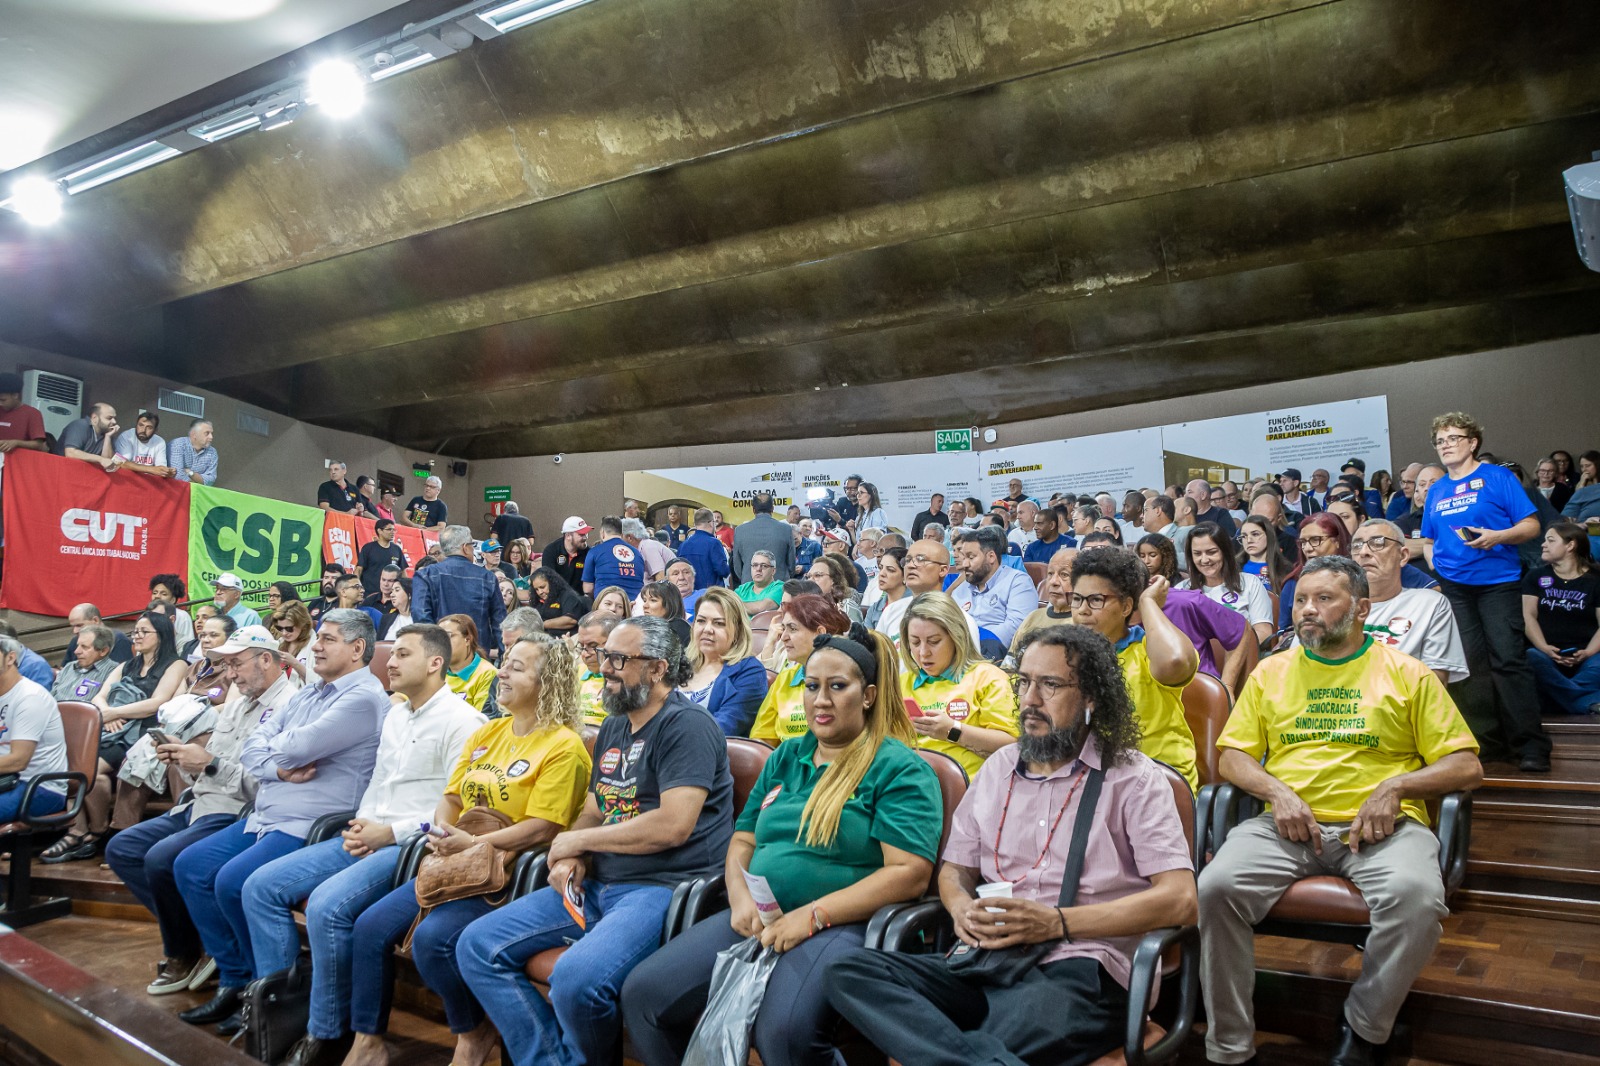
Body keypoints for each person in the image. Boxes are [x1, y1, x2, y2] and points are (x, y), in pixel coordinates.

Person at [825, 624, 1197, 1066]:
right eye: (1023, 682)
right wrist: (961, 909)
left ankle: (971, 1052)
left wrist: (1056, 923)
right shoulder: (999, 767)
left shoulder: (1132, 778)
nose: (1029, 700)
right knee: (850, 971)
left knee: (1004, 1026)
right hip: (987, 959)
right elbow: (955, 870)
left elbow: (1180, 900)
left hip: (1081, 967)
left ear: (1091, 698)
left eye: (1050, 685)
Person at [1199, 557, 1483, 1066]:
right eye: (1301, 600)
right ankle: (1230, 1046)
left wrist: (1397, 786)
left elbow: (1466, 765)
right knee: (1215, 887)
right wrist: (1277, 792)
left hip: (1383, 829)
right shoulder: (1271, 672)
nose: (1307, 610)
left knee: (1416, 898)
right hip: (1284, 825)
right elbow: (1233, 757)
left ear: (1361, 609)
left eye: (1324, 599)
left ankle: (1365, 1024)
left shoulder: (1407, 673)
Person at [626, 624, 941, 1066]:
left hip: (847, 924)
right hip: (762, 915)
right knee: (644, 995)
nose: (821, 700)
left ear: (868, 695)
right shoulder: (787, 756)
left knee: (784, 1032)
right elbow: (743, 840)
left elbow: (908, 874)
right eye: (811, 686)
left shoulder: (899, 768)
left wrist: (812, 916)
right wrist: (739, 897)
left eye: (838, 687)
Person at [455, 617, 736, 1066]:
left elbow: (673, 825)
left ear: (658, 669)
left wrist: (578, 841)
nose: (605, 667)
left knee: (577, 980)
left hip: (660, 887)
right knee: (475, 945)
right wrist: (575, 851)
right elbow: (594, 806)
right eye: (606, 655)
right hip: (596, 881)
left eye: (619, 659)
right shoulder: (614, 724)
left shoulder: (688, 726)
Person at [328, 634, 591, 1066]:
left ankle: (472, 1033)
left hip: (509, 875)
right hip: (456, 862)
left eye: (517, 667)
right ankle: (369, 1042)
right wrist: (443, 832)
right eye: (505, 663)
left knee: (432, 939)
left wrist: (473, 843)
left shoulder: (564, 745)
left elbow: (543, 827)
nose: (502, 672)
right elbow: (452, 796)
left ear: (548, 682)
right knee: (371, 925)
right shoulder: (489, 732)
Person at [240, 624, 487, 1066]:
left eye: (403, 655)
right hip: (369, 833)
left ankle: (328, 1032)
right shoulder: (395, 715)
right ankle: (282, 1017)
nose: (389, 662)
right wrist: (364, 824)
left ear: (435, 663)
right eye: (393, 654)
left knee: (327, 906)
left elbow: (455, 811)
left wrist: (388, 834)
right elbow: (378, 783)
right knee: (260, 886)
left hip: (413, 846)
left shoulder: (465, 721)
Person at [174, 609, 388, 1032]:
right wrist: (278, 767)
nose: (316, 647)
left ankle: (271, 1002)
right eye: (318, 638)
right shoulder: (311, 693)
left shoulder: (363, 698)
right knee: (191, 866)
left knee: (233, 881)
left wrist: (278, 750)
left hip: (309, 821)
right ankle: (237, 981)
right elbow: (254, 748)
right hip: (266, 813)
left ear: (357, 648)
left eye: (327, 639)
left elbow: (296, 747)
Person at [106, 625, 303, 995]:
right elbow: (208, 769)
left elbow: (269, 785)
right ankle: (199, 936)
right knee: (122, 848)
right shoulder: (236, 704)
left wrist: (209, 764)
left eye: (236, 664)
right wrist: (183, 758)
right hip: (201, 803)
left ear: (266, 659)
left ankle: (200, 953)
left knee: (163, 858)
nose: (229, 674)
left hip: (238, 811)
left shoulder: (291, 708)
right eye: (226, 665)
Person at [1421, 413, 1550, 772]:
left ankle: (1529, 745)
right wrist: (1436, 564)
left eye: (1453, 438)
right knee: (1469, 666)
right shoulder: (1437, 489)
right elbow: (1429, 539)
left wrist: (1498, 536)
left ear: (1473, 442)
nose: (1445, 445)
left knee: (1508, 660)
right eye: (1440, 441)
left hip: (1497, 583)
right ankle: (1487, 743)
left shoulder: (1497, 477)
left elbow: (1531, 525)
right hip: (1455, 588)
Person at [49, 613, 189, 863]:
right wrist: (107, 713)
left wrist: (115, 712)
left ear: (161, 635)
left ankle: (94, 832)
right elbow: (99, 696)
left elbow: (158, 702)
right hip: (113, 728)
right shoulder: (127, 665)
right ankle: (84, 831)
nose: (137, 636)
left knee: (89, 771)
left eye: (144, 631)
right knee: (80, 771)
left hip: (142, 733)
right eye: (136, 631)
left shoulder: (175, 664)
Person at [1071, 547, 1201, 792]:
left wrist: (1148, 602)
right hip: (1087, 782)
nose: (1082, 610)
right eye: (1077, 599)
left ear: (1126, 606)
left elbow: (1175, 661)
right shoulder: (1065, 655)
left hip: (1154, 783)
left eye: (1096, 600)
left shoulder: (1147, 650)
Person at [899, 591, 1021, 777]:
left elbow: (1011, 745)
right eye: (915, 642)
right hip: (910, 782)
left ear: (957, 637)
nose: (923, 652)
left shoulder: (987, 678)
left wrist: (953, 730)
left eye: (934, 641)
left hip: (972, 787)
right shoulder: (901, 683)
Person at [1339, 520, 1468, 687]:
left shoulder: (1428, 605)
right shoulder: (1336, 607)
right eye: (1356, 546)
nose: (1364, 552)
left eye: (1378, 543)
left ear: (1403, 556)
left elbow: (1436, 683)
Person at [1524, 522, 1600, 716]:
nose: (1543, 545)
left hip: (1588, 656)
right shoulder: (1535, 576)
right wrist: (1544, 648)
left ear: (1570, 545)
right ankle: (1585, 702)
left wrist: (1588, 652)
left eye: (1550, 540)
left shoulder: (1596, 579)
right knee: (1531, 656)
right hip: (1546, 655)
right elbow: (1528, 616)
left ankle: (1559, 697)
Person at [753, 594, 851, 744]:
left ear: (820, 633)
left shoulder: (849, 680)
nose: (783, 637)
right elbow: (762, 741)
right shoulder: (784, 679)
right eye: (784, 628)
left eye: (792, 629)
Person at [0, 633, 70, 825]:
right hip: (7, 780)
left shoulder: (30, 697)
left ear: (10, 658)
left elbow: (18, 761)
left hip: (39, 786)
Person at [679, 586, 768, 735]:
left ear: (737, 630)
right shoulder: (680, 663)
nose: (707, 629)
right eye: (701, 621)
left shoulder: (750, 672)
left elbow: (724, 727)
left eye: (719, 623)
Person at [413, 526, 506, 657]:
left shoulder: (425, 575)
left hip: (438, 657)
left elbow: (420, 615)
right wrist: (504, 656)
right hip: (476, 658)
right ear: (465, 548)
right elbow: (500, 621)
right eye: (472, 545)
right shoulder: (487, 577)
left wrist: (438, 649)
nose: (473, 550)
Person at [1181, 523, 1274, 644]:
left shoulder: (1250, 583)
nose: (1204, 560)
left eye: (1211, 552)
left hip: (1243, 654)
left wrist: (1232, 652)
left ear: (1225, 551)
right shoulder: (1181, 590)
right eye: (1197, 554)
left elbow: (1263, 634)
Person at [949, 527, 1038, 653]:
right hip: (960, 652)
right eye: (964, 558)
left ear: (991, 557)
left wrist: (975, 646)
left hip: (996, 654)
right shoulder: (962, 587)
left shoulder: (1017, 582)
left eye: (971, 557)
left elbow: (1017, 626)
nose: (965, 564)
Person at [877, 541, 981, 646]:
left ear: (942, 570)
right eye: (907, 560)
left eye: (920, 559)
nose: (910, 566)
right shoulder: (891, 611)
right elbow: (879, 652)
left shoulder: (960, 620)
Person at [1009, 547, 1076, 662]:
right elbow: (1010, 662)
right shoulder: (1033, 617)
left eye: (1064, 575)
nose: (1053, 581)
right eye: (1050, 574)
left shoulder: (1084, 622)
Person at [731, 493, 797, 585]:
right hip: (779, 585)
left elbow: (737, 565)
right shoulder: (786, 529)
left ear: (753, 510)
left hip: (749, 585)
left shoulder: (740, 530)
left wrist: (747, 577)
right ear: (772, 509)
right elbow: (791, 563)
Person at [439, 614, 499, 714]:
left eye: (447, 636)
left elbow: (483, 718)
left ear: (467, 640)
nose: (441, 642)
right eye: (438, 637)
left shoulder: (488, 673)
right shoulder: (435, 671)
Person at [574, 612, 621, 729]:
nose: (585, 654)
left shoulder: (627, 681)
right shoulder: (576, 673)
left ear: (614, 642)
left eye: (593, 646)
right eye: (582, 646)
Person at [51, 623, 119, 702]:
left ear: (103, 651)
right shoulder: (69, 667)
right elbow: (51, 697)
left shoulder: (114, 673)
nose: (76, 651)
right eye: (78, 646)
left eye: (84, 647)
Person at [583, 516, 646, 600]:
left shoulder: (595, 551)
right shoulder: (637, 553)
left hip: (607, 603)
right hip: (634, 604)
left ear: (602, 533)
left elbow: (588, 588)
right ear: (622, 534)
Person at [669, 508, 729, 591]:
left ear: (695, 524)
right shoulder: (714, 543)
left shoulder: (683, 545)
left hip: (688, 593)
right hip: (710, 594)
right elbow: (723, 571)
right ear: (711, 523)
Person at [54, 401, 121, 471]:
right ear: (94, 418)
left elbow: (107, 463)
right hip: (60, 470)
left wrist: (108, 437)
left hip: (82, 473)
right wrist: (100, 459)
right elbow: (70, 453)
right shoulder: (80, 425)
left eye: (115, 418)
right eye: (109, 418)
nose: (114, 422)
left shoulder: (107, 432)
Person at [62, 602, 135, 665]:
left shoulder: (118, 639)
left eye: (79, 625)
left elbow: (121, 671)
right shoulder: (75, 640)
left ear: (95, 620)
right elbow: (65, 669)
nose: (75, 631)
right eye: (73, 626)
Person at [1239, 514, 1292, 594]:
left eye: (1255, 534)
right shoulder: (1233, 567)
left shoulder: (1285, 568)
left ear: (1269, 535)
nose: (1249, 540)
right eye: (1244, 536)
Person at [527, 566, 589, 633]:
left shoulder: (568, 596)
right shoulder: (536, 600)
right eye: (536, 589)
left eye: (542, 587)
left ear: (552, 583)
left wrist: (542, 625)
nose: (540, 592)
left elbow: (570, 620)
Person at [355, 520, 408, 597]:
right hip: (369, 594)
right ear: (379, 531)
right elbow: (359, 570)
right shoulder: (368, 548)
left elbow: (403, 572)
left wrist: (406, 589)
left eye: (394, 530)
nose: (392, 532)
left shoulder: (397, 549)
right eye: (389, 529)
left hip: (391, 595)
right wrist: (357, 588)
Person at [808, 553, 864, 624]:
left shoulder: (846, 606)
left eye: (818, 575)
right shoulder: (805, 606)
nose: (810, 580)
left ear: (834, 579)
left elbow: (855, 631)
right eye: (808, 576)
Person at [114, 411, 173, 476]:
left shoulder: (160, 442)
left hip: (148, 478)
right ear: (136, 425)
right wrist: (151, 469)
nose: (143, 430)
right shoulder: (127, 436)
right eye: (141, 425)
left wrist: (167, 472)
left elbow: (160, 469)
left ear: (155, 430)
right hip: (128, 477)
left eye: (149, 427)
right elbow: (120, 463)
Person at [0, 372, 47, 453]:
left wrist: (16, 443)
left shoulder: (32, 413)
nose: (0, 403)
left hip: (18, 459)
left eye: (3, 400)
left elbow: (39, 444)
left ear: (15, 395)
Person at [864, 546, 909, 631]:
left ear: (905, 576)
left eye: (890, 570)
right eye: (881, 568)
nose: (882, 574)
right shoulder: (874, 608)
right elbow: (866, 637)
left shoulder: (914, 605)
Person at [543, 517, 593, 592]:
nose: (585, 537)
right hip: (557, 596)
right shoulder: (551, 551)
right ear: (568, 536)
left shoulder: (589, 553)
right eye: (581, 534)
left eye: (586, 533)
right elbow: (549, 580)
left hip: (580, 597)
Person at [734, 549, 785, 615]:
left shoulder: (780, 587)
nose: (758, 569)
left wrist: (734, 606)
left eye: (764, 566)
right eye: (755, 565)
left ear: (773, 571)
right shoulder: (742, 589)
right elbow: (726, 604)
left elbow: (760, 608)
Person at [623, 518, 674, 583]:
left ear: (629, 537)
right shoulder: (641, 548)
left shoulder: (648, 546)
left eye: (621, 537)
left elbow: (661, 578)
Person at [169, 419, 218, 485]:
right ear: (194, 434)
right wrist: (199, 481)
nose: (211, 437)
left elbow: (210, 481)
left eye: (211, 433)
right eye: (207, 433)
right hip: (173, 488)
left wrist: (190, 473)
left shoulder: (212, 452)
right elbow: (178, 476)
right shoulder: (178, 445)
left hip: (196, 491)